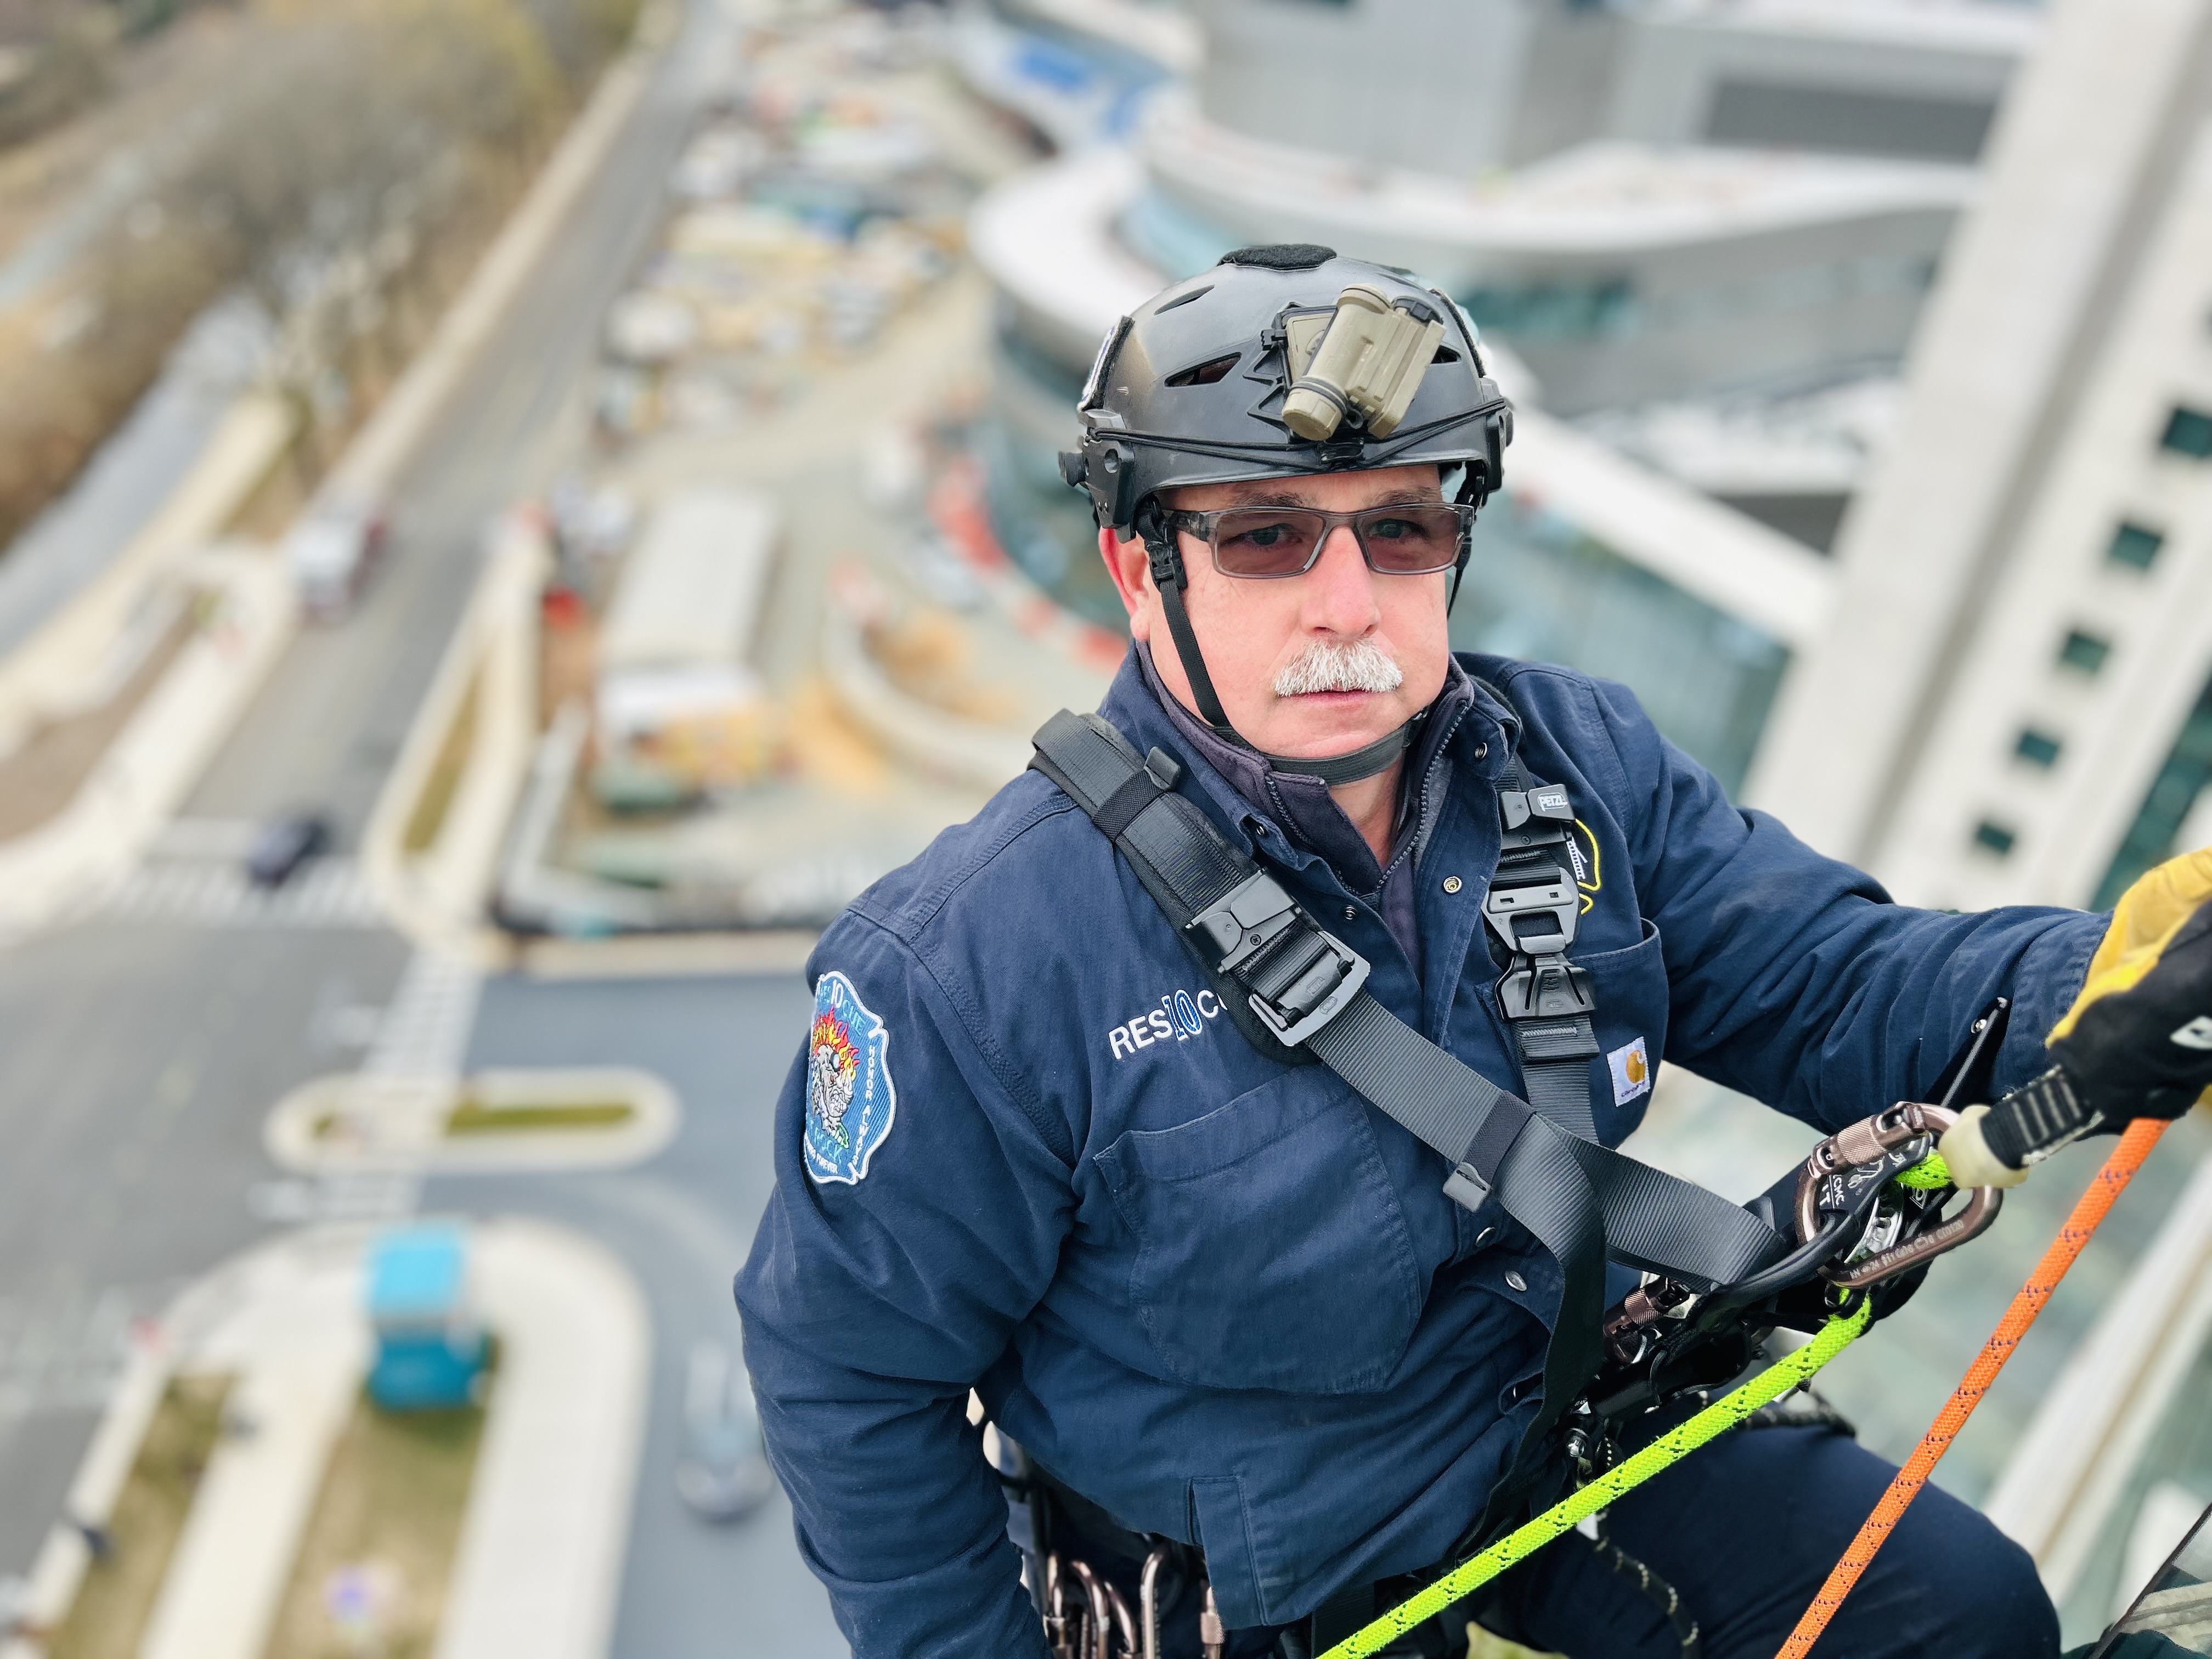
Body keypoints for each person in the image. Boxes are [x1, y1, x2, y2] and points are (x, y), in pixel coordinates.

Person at [736, 247, 2212, 1659]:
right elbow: (850, 1377)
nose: (1346, 602)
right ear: (1140, 570)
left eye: (1401, 527)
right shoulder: (970, 969)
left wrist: (2123, 978)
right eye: (1264, 536)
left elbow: (1832, 980)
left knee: (1959, 1615)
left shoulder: (1576, 768)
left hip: (1552, 1422)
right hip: (1244, 1580)